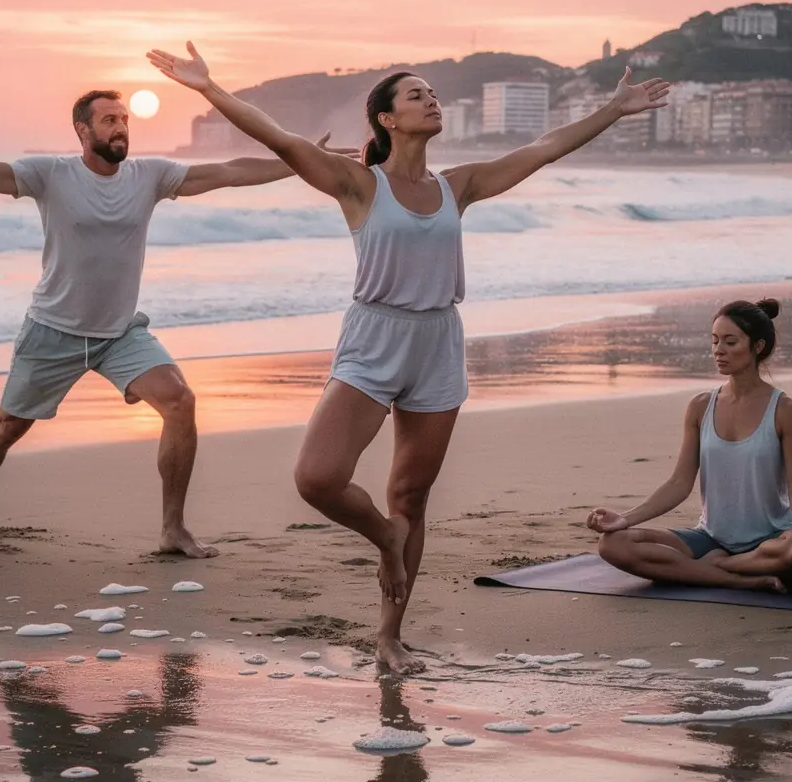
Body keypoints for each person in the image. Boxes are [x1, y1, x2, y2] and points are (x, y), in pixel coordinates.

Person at [148, 40, 670, 670]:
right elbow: (282, 139)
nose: (431, 99)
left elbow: (542, 149)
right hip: (374, 338)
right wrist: (209, 88)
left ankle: (390, 635)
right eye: (416, 94)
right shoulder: (358, 183)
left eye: (433, 92)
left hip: (437, 342)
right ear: (387, 120)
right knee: (316, 478)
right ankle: (385, 539)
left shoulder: (460, 186)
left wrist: (613, 110)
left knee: (412, 497)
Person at [0, 89, 354, 557]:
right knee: (5, 429)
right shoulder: (49, 174)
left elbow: (228, 173)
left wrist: (300, 159)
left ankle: (173, 529)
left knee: (180, 401)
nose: (120, 127)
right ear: (82, 130)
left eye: (124, 118)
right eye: (108, 120)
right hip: (53, 329)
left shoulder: (149, 176)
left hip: (120, 333)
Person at [587, 299, 792, 592]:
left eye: (730, 342)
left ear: (758, 346)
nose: (719, 350)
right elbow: (679, 483)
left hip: (772, 539)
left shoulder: (786, 411)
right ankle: (738, 578)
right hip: (710, 538)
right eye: (715, 341)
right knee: (614, 544)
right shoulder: (701, 406)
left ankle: (718, 568)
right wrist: (624, 519)